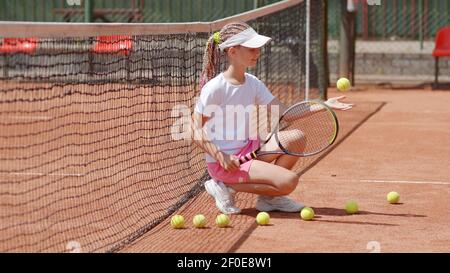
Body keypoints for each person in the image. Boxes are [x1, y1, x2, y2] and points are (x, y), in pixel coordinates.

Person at [192, 22, 353, 214]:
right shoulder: (215, 88)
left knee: (297, 138)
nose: (257, 52)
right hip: (223, 162)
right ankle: (225, 186)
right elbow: (195, 130)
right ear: (233, 51)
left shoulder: (253, 83)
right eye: (251, 48)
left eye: (258, 48)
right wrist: (221, 156)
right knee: (289, 181)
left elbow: (286, 113)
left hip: (248, 150)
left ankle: (269, 199)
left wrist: (323, 104)